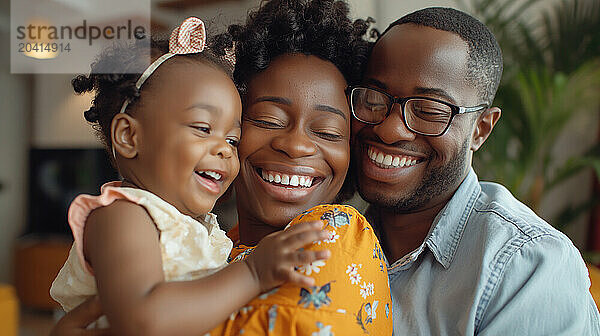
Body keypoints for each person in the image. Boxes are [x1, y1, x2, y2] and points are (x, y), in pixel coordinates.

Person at [51, 1, 393, 335]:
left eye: (232, 139)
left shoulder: (332, 234)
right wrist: (253, 273)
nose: (297, 145)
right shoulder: (124, 216)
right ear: (128, 136)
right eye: (266, 120)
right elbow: (144, 320)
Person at [350, 7, 600, 335]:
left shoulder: (527, 265)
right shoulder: (334, 233)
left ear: (481, 129)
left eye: (429, 110)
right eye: (375, 99)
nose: (390, 130)